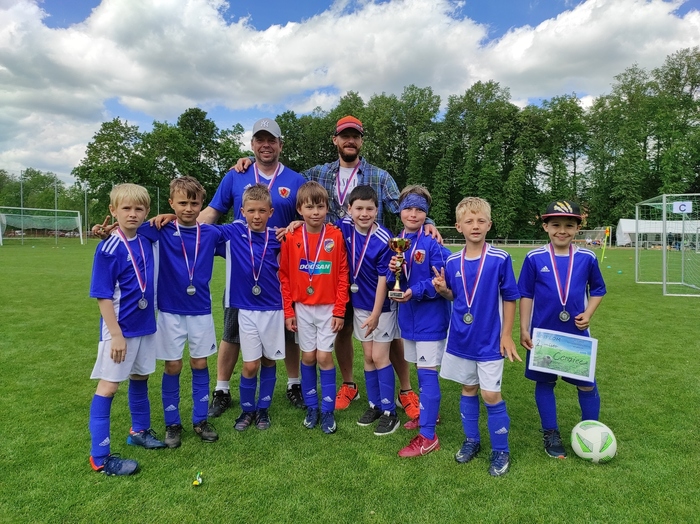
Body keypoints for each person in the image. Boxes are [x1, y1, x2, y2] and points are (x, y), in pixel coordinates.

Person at [235, 115, 422, 419]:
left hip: (370, 268)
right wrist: (248, 161)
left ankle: (405, 389)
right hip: (327, 264)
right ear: (335, 140)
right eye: (344, 136)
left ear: (361, 141)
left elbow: (404, 208)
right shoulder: (317, 173)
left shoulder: (380, 176)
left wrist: (426, 222)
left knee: (389, 337)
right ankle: (348, 385)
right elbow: (287, 180)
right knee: (343, 329)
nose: (350, 141)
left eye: (355, 136)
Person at [201, 118, 307, 416]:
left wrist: (299, 223)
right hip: (242, 272)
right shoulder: (236, 174)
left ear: (280, 144)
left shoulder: (296, 180)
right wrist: (182, 228)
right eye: (260, 140)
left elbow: (310, 213)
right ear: (252, 144)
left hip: (281, 272)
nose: (266, 145)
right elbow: (212, 212)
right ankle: (222, 389)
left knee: (289, 331)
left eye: (271, 140)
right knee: (232, 331)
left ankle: (294, 384)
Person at [433, 197, 520, 476]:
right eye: (469, 221)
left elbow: (510, 297)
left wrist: (507, 335)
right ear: (458, 226)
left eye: (481, 221)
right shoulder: (452, 261)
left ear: (489, 225)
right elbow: (456, 297)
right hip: (461, 338)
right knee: (468, 388)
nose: (475, 225)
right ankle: (472, 440)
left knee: (491, 394)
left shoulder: (499, 258)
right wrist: (443, 290)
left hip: (490, 340)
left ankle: (501, 450)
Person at [137, 177, 222, 448]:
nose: (188, 208)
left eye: (194, 203)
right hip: (170, 311)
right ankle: (172, 424)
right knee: (172, 365)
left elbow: (249, 234)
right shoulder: (159, 229)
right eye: (182, 203)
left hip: (201, 311)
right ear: (171, 203)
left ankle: (200, 420)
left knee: (200, 363)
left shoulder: (211, 233)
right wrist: (105, 232)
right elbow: (128, 231)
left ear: (201, 204)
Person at [518, 200, 606, 459]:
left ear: (577, 228)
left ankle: (592, 432)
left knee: (587, 384)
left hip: (576, 334)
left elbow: (598, 289)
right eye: (555, 225)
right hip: (543, 334)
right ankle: (551, 432)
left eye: (569, 225)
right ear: (545, 227)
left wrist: (588, 314)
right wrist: (524, 328)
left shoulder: (587, 258)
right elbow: (526, 294)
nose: (562, 230)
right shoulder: (534, 258)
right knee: (545, 382)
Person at [88, 184, 165, 476]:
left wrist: (164, 216)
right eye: (126, 208)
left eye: (138, 209)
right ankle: (100, 457)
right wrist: (116, 334)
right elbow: (103, 295)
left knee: (140, 376)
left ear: (147, 212)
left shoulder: (146, 237)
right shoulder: (108, 248)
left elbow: (171, 218)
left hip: (145, 325)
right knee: (109, 386)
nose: (132, 214)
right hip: (119, 330)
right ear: (113, 211)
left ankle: (139, 431)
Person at [279, 181, 349, 434]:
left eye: (320, 207)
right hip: (302, 308)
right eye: (309, 207)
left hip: (329, 308)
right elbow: (284, 275)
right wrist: (289, 311)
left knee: (323, 357)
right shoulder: (291, 236)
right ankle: (312, 407)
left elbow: (343, 274)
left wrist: (339, 310)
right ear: (299, 210)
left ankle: (327, 410)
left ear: (327, 208)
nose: (315, 212)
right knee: (308, 357)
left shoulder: (335, 236)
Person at [387, 185, 452, 457]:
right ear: (400, 211)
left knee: (427, 373)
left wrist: (414, 291)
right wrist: (393, 272)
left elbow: (441, 277)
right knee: (419, 369)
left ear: (427, 214)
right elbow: (393, 280)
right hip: (409, 319)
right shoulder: (399, 240)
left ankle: (428, 436)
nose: (413, 214)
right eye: (408, 209)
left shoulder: (432, 241)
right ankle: (429, 414)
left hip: (430, 319)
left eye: (419, 210)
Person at [221, 184, 285, 431]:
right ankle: (247, 410)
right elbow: (196, 229)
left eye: (262, 211)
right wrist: (170, 217)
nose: (256, 216)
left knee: (269, 360)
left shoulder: (279, 238)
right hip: (246, 309)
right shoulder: (232, 233)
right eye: (251, 211)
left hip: (273, 308)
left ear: (271, 212)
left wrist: (296, 224)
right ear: (242, 212)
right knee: (250, 364)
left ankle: (263, 409)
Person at [336, 185, 399, 436]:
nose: (364, 214)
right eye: (359, 208)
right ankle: (374, 405)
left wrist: (375, 313)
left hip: (381, 307)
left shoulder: (384, 238)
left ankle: (390, 412)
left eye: (370, 209)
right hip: (359, 304)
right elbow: (321, 230)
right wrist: (297, 224)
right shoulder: (344, 227)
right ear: (349, 209)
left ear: (377, 210)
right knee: (368, 356)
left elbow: (384, 278)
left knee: (380, 357)